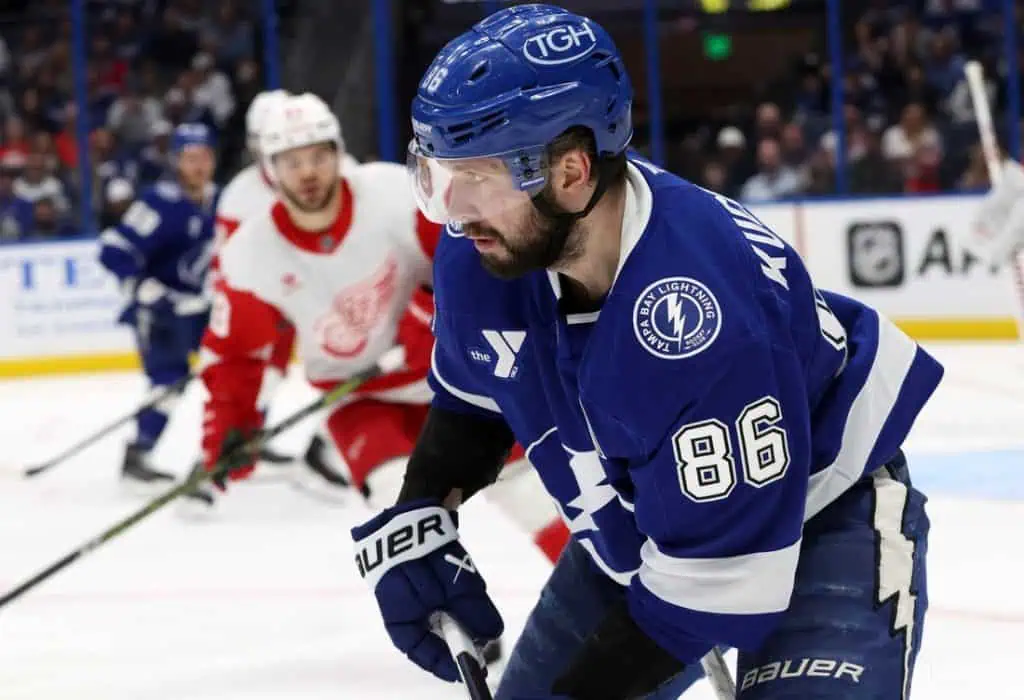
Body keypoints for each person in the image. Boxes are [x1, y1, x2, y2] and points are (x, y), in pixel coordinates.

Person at [351, 5, 943, 699]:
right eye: (439, 178)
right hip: (648, 518)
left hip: (825, 507)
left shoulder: (698, 321)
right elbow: (477, 400)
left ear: (570, 171)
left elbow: (710, 590)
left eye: (477, 179)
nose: (454, 212)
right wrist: (423, 508)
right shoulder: (483, 254)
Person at [201, 93, 569, 564]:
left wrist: (430, 321)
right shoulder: (251, 254)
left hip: (456, 379)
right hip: (362, 402)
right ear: (269, 170)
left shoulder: (393, 194)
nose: (308, 173)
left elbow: (477, 261)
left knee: (533, 495)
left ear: (338, 152)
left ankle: (610, 606)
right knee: (407, 524)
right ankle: (459, 627)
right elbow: (236, 354)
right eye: (291, 162)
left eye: (317, 155)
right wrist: (230, 428)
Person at [98, 122, 218, 490]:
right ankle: (140, 452)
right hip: (160, 312)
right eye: (189, 157)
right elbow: (113, 249)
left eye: (203, 157)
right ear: (177, 162)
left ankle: (240, 445)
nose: (197, 165)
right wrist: (140, 286)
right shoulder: (158, 202)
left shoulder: (223, 199)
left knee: (236, 366)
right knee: (169, 380)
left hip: (204, 308)